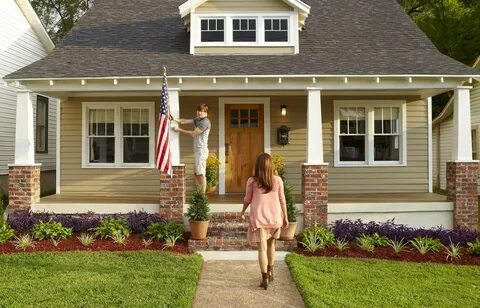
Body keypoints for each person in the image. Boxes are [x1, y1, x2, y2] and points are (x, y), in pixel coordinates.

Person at [241, 153, 288, 290]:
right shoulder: (278, 180)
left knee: (262, 249)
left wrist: (243, 211)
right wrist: (285, 217)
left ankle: (264, 278)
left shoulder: (252, 181)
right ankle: (271, 271)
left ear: (258, 166)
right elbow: (282, 200)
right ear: (271, 165)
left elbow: (247, 200)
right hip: (275, 219)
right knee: (271, 245)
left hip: (259, 220)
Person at [171, 104, 211, 193]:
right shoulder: (198, 120)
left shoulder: (205, 122)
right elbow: (184, 121)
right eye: (198, 110)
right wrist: (174, 119)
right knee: (196, 174)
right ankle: (200, 192)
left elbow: (193, 133)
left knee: (201, 174)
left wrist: (178, 130)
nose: (199, 112)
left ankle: (202, 197)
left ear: (205, 112)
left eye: (201, 111)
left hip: (201, 151)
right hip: (197, 150)